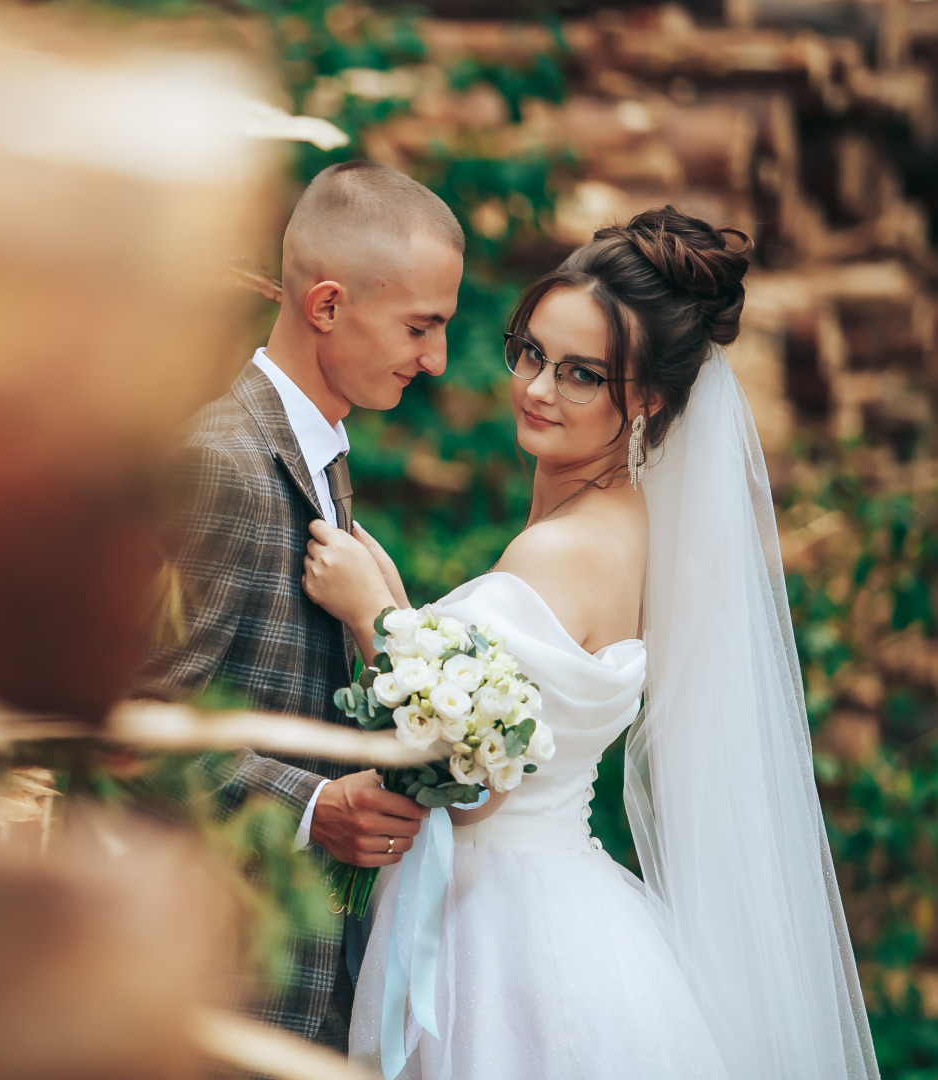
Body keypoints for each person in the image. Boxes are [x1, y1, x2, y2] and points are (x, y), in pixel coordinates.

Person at [303, 206, 878, 1079]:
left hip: (501, 945)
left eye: (581, 375)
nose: (537, 388)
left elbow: (475, 788)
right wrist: (402, 613)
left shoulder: (562, 549)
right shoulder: (634, 528)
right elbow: (525, 714)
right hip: (566, 906)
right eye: (530, 352)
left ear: (645, 397)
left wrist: (371, 618)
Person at [135, 160, 464, 1049]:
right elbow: (137, 730)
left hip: (301, 975)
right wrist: (316, 810)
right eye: (419, 328)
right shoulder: (219, 462)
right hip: (217, 990)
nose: (434, 359)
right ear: (326, 307)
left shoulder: (319, 452)